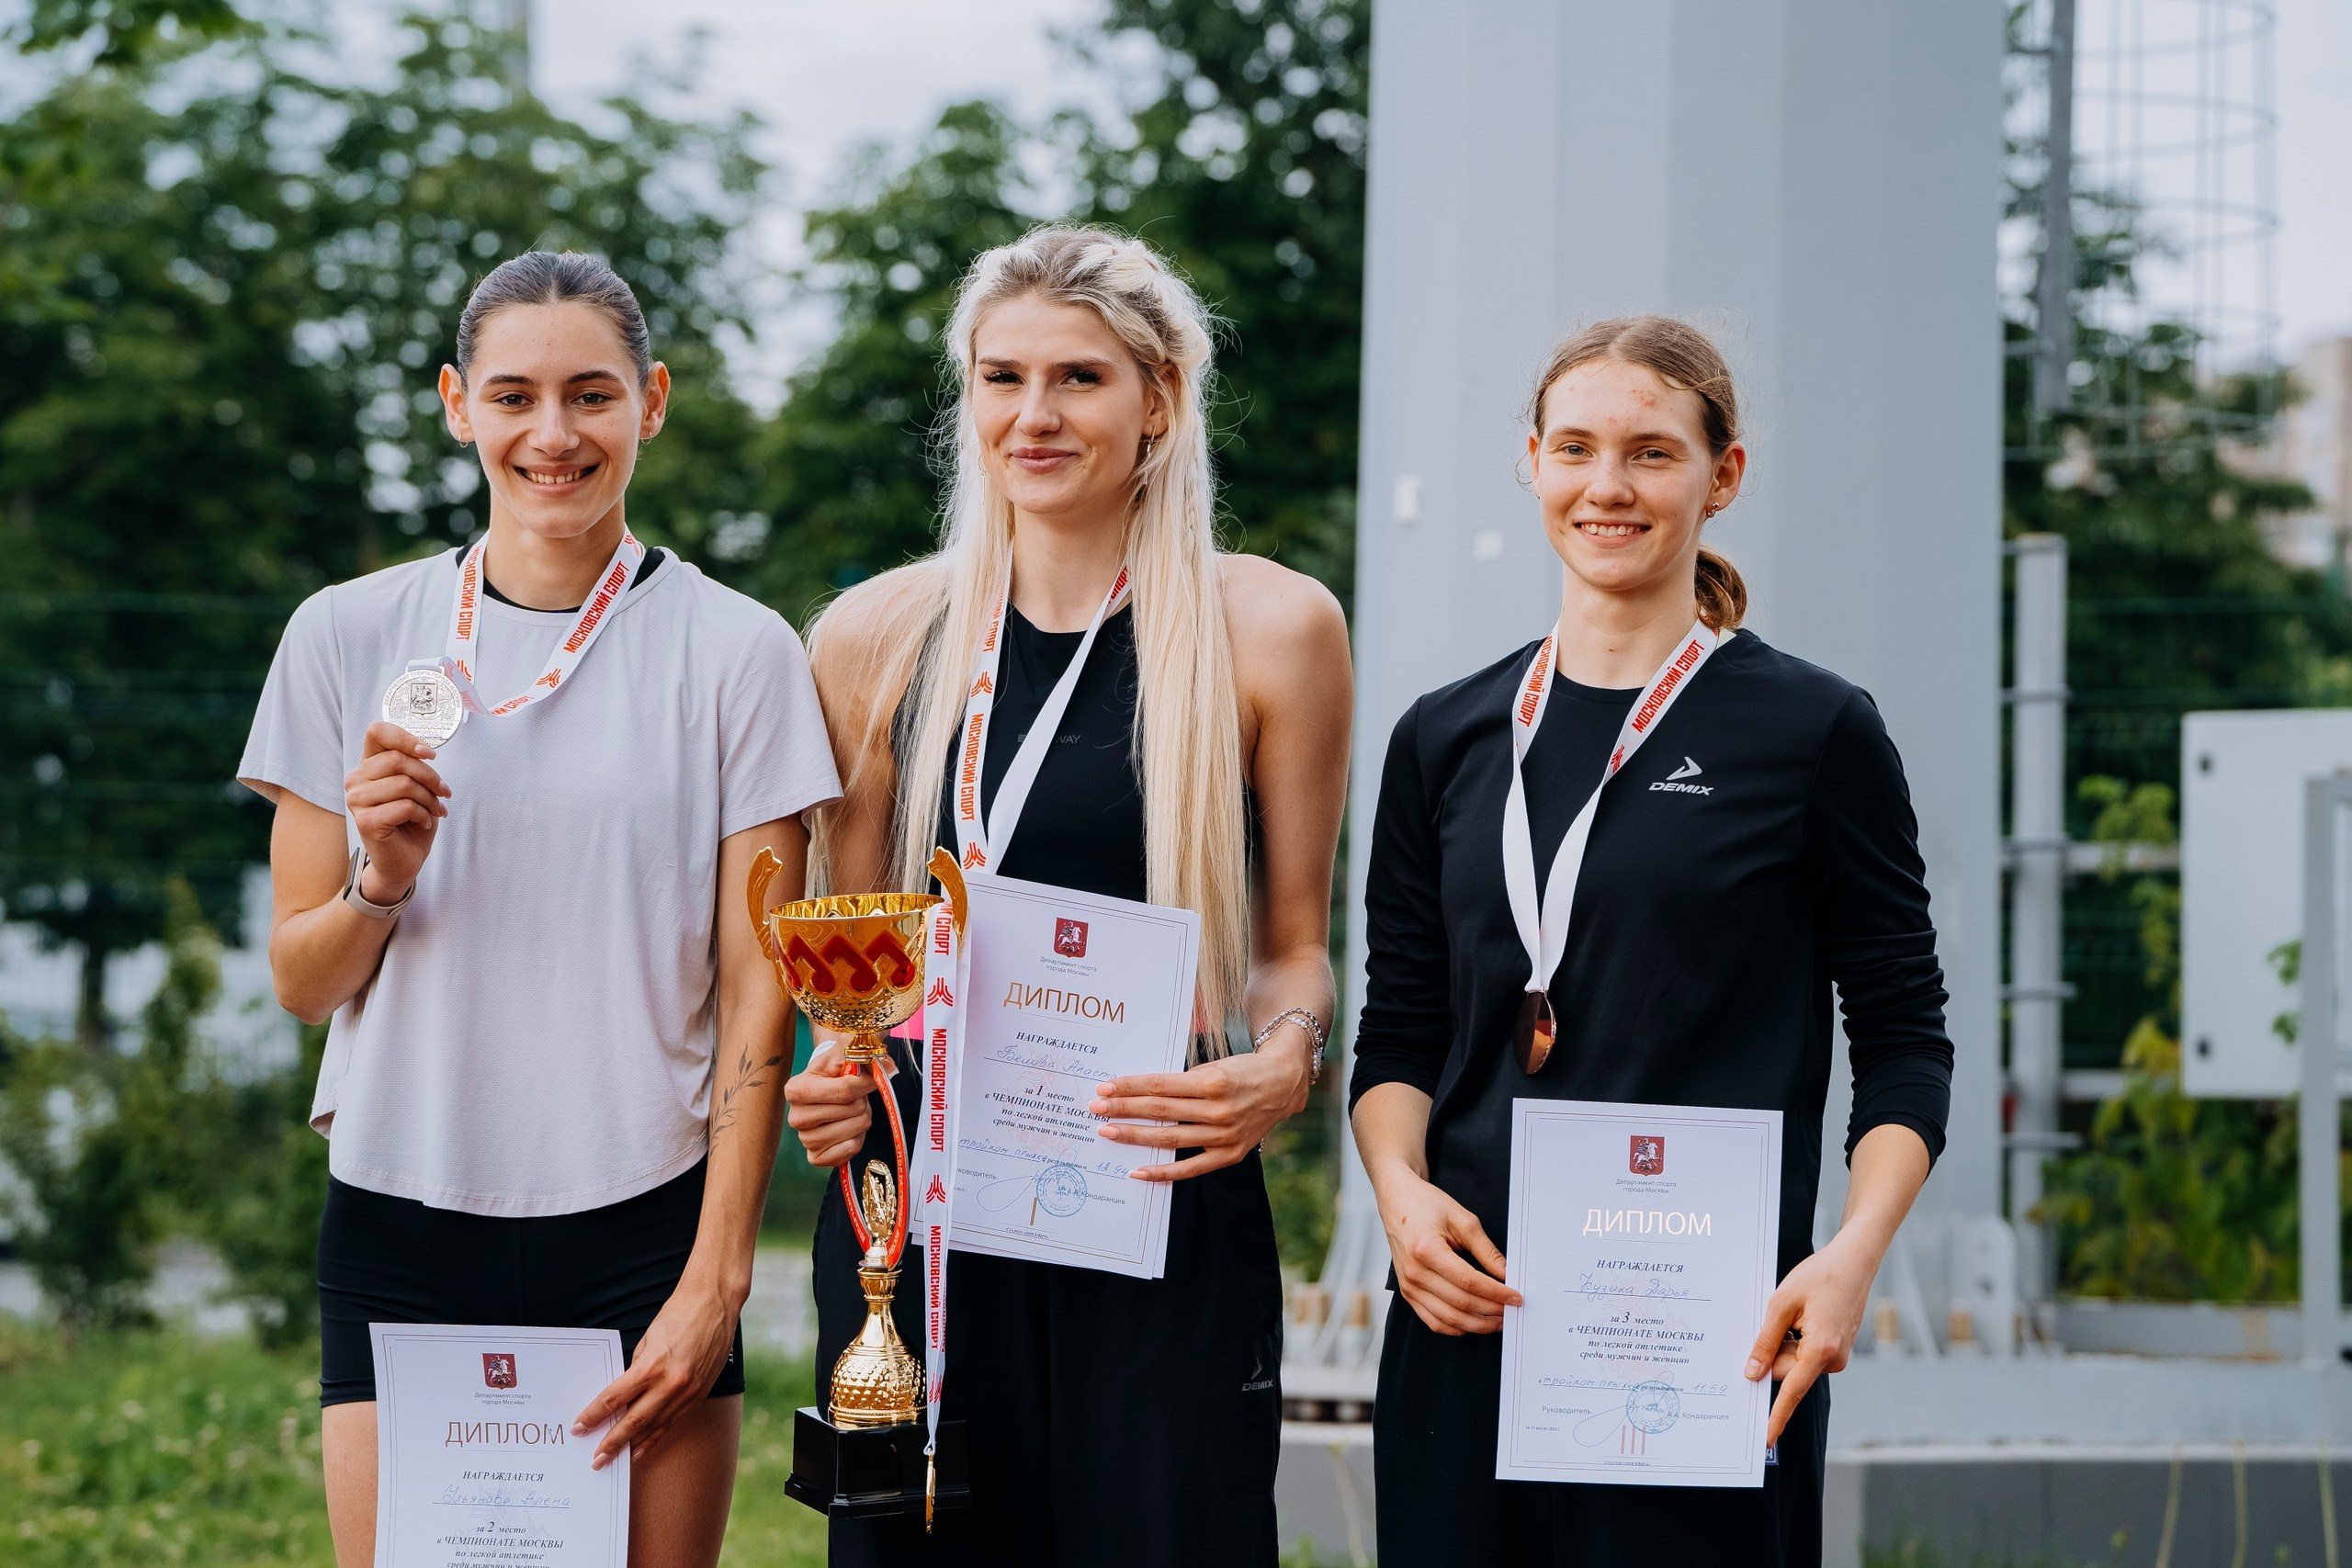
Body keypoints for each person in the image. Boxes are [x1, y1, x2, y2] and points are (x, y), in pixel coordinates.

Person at [240, 251, 842, 1568]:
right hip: (402, 1212)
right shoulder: (346, 635)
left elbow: (760, 996)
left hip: (646, 1223)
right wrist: (379, 884)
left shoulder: (739, 653)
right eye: (513, 396)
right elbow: (300, 977)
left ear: (653, 401)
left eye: (592, 395)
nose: (553, 435)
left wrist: (717, 1278)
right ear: (459, 405)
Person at [782, 223, 1352, 1565]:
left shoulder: (1271, 629)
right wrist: (831, 1062)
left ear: (1159, 399)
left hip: (1152, 1176)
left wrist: (1285, 1058)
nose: (1034, 415)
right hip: (912, 1205)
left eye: (1080, 379)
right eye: (1001, 377)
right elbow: (844, 967)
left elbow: (1295, 949)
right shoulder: (872, 637)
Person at [1350, 316, 1953, 1567]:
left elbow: (1903, 1038)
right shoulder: (1443, 736)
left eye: (1651, 453)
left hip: (1704, 1325)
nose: (1607, 487)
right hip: (1469, 1311)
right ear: (1531, 463)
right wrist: (1402, 1200)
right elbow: (1400, 1032)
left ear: (1721, 478)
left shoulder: (1814, 729)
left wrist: (1847, 1258)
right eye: (1575, 448)